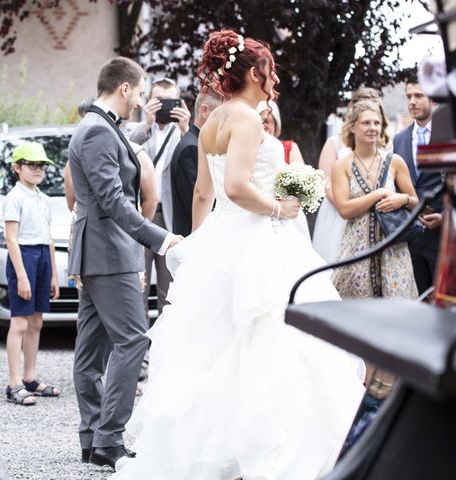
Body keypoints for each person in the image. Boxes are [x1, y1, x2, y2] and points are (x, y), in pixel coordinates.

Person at [110, 30, 364, 480]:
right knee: (266, 342)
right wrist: (279, 207)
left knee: (216, 349)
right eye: (269, 70)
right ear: (252, 72)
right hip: (258, 239)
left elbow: (204, 194)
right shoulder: (247, 118)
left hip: (224, 239)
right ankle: (263, 454)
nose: (274, 79)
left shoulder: (212, 122)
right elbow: (236, 187)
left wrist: (200, 246)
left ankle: (219, 456)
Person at [67, 56, 182, 469]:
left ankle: (93, 437)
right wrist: (161, 239)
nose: (141, 99)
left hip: (99, 251)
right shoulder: (98, 131)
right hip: (108, 252)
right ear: (125, 89)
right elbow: (113, 201)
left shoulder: (99, 126)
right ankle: (108, 438)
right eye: (140, 90)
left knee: (92, 350)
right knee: (134, 341)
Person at [330, 99, 419, 449]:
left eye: (376, 123)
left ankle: (391, 407)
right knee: (361, 330)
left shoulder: (394, 161)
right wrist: (380, 194)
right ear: (352, 127)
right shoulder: (342, 165)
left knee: (395, 327)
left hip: (393, 256)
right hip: (356, 259)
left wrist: (400, 200)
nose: (372, 128)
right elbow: (344, 208)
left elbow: (414, 199)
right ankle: (363, 407)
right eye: (365, 122)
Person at [3, 142, 61, 406]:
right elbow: (11, 239)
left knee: (36, 321)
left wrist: (53, 275)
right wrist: (22, 275)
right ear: (17, 168)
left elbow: (48, 238)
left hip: (41, 257)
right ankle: (14, 382)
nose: (38, 170)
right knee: (20, 322)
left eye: (41, 165)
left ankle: (30, 377)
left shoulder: (43, 198)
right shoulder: (14, 197)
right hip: (23, 257)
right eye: (31, 165)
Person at [129, 77, 191, 316]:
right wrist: (146, 123)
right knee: (138, 285)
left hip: (170, 218)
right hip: (142, 216)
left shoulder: (182, 133)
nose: (164, 106)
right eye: (158, 100)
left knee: (169, 287)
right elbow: (127, 150)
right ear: (148, 100)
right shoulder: (140, 130)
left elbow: (194, 163)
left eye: (170, 101)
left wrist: (186, 128)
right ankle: (140, 347)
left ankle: (165, 347)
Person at [312, 87, 384, 263]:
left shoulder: (382, 143)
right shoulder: (334, 142)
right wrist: (346, 207)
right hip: (337, 211)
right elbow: (325, 180)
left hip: (373, 213)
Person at [393, 76, 443, 295]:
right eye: (409, 96)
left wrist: (446, 216)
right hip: (411, 235)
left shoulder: (449, 134)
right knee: (420, 300)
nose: (412, 101)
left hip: (444, 234)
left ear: (433, 99)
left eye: (419, 96)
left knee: (446, 301)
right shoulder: (399, 139)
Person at [257, 99, 311, 241]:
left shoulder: (289, 147)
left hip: (288, 214)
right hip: (259, 212)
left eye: (270, 122)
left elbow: (303, 181)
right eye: (262, 121)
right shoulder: (249, 150)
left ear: (276, 124)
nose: (266, 126)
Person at [170, 88, 221, 236]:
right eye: (222, 114)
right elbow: (199, 203)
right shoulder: (191, 149)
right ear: (204, 111)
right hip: (197, 241)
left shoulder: (198, 143)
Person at [257, 99, 304, 164]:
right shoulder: (246, 150)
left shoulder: (290, 148)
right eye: (260, 122)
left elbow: (300, 173)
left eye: (267, 121)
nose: (264, 126)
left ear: (276, 125)